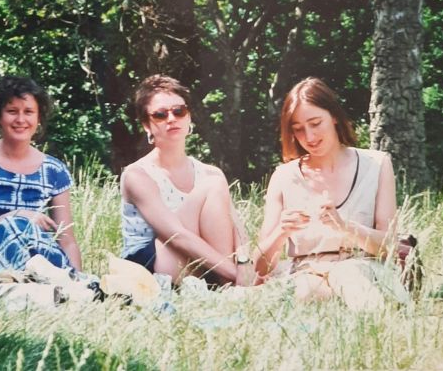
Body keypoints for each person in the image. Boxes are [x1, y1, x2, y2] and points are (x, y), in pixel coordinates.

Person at [253, 77, 407, 309]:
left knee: (349, 276)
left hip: (364, 269)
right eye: (298, 129)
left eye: (315, 123)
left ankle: (380, 330)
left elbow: (389, 247)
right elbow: (260, 266)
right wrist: (280, 233)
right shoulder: (284, 176)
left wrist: (346, 227)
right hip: (308, 274)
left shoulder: (376, 164)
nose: (310, 137)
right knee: (305, 293)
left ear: (334, 116)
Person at [120, 75, 251, 286]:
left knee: (214, 179)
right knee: (213, 184)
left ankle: (226, 284)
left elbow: (236, 229)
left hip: (200, 263)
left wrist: (246, 263)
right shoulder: (137, 175)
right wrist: (238, 275)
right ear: (147, 125)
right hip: (152, 266)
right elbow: (177, 236)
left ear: (189, 117)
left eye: (179, 111)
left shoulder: (209, 172)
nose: (171, 119)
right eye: (160, 115)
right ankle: (231, 282)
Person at [0, 76, 82, 272]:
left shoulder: (54, 170)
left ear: (38, 118)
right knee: (17, 225)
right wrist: (16, 217)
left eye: (29, 112)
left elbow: (66, 241)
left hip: (38, 264)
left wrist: (79, 280)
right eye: (12, 111)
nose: (21, 120)